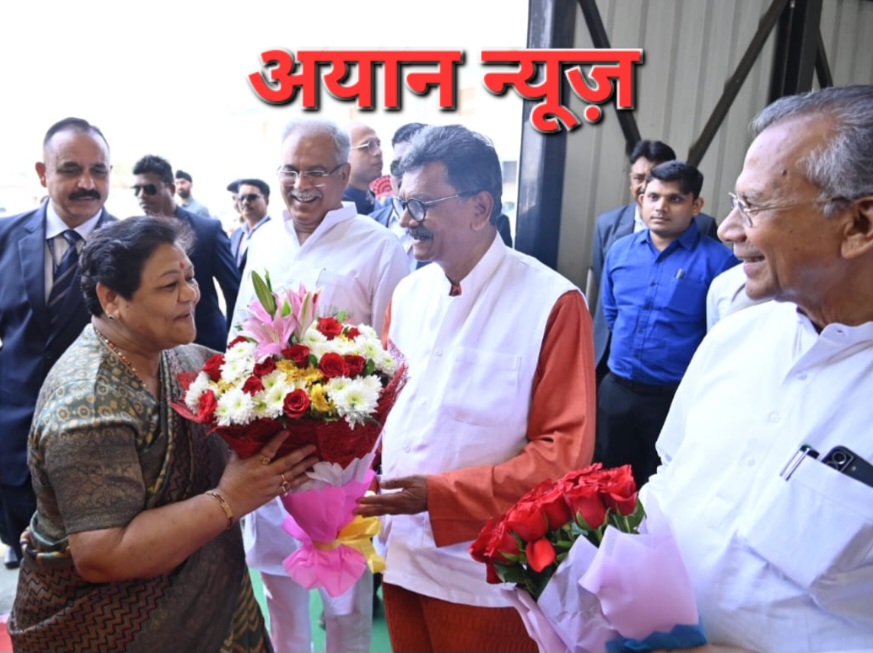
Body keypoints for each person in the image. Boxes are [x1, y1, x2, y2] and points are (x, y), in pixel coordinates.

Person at [8, 216, 318, 652]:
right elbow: (102, 554)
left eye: (190, 277)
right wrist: (229, 499)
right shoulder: (88, 402)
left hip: (219, 611)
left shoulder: (183, 359)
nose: (191, 294)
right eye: (170, 285)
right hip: (104, 631)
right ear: (111, 298)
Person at [642, 85, 873, 652]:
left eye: (755, 206)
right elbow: (671, 478)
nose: (728, 229)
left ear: (859, 224)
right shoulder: (736, 335)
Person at [355, 125, 596, 652]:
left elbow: (562, 457)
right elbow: (390, 411)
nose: (405, 220)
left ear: (480, 208)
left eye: (421, 205)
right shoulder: (409, 293)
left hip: (487, 576)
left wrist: (440, 497)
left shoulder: (552, 302)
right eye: (401, 203)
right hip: (402, 558)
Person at [231, 117, 409, 653]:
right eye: (290, 170)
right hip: (269, 451)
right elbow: (240, 335)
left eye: (316, 171)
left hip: (342, 459)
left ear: (343, 175)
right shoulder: (265, 240)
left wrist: (373, 450)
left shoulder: (379, 246)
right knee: (278, 589)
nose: (300, 184)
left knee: (344, 602)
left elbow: (395, 357)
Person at [0, 117, 117, 570]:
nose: (87, 183)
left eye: (98, 170)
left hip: (103, 448)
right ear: (42, 173)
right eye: (71, 170)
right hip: (14, 444)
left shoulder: (136, 248)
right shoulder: (6, 237)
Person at [597, 161, 737, 488]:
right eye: (653, 197)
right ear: (641, 199)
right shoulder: (620, 251)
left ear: (696, 205)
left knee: (663, 487)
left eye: (674, 199)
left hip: (673, 400)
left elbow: (721, 335)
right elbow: (612, 313)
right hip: (617, 392)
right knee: (605, 485)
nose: (661, 207)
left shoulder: (719, 262)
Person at [591, 140, 719, 382]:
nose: (661, 206)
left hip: (676, 375)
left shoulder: (709, 240)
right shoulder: (609, 229)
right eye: (639, 178)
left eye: (674, 198)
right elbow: (608, 295)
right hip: (614, 361)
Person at [133, 155, 240, 352]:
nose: (142, 195)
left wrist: (237, 344)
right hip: (155, 347)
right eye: (136, 190)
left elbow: (234, 292)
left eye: (150, 189)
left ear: (171, 189)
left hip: (206, 341)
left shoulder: (207, 230)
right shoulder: (135, 238)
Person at [230, 178, 272, 271]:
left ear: (266, 200)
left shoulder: (276, 232)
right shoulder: (236, 234)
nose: (245, 202)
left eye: (252, 197)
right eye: (241, 198)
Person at [343, 121, 383, 215]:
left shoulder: (372, 200)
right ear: (343, 155)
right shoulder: (339, 207)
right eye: (367, 146)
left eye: (378, 144)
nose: (378, 152)